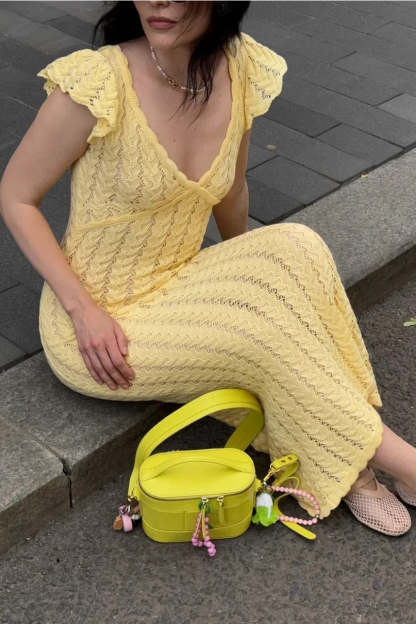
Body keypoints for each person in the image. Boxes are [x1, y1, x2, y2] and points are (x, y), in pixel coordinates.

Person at [1, 0, 416, 536]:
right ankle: (385, 465)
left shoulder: (240, 69)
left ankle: (350, 446)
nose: (159, 1)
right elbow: (16, 197)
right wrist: (83, 311)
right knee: (264, 333)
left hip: (177, 276)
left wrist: (255, 276)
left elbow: (232, 190)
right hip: (101, 322)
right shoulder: (97, 83)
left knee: (297, 248)